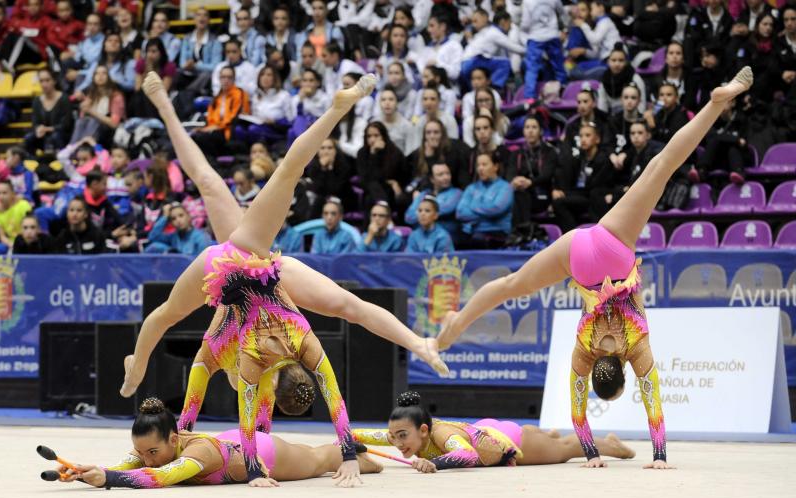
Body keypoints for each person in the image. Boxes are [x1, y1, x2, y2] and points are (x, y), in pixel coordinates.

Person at [437, 67, 754, 470]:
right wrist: (589, 452)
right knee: (512, 283)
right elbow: (579, 412)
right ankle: (456, 326)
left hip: (613, 254)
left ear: (623, 372)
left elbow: (649, 397)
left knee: (662, 166)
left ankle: (716, 103)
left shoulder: (635, 345)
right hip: (582, 256)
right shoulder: (584, 350)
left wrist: (659, 456)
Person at [122, 72, 448, 459]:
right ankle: (417, 342)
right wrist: (138, 367)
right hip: (247, 267)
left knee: (265, 179)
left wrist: (138, 367)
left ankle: (332, 110)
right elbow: (238, 424)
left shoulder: (254, 360)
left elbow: (241, 421)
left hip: (251, 266)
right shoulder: (247, 366)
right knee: (234, 183)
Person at [54, 397, 382, 489]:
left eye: (152, 452)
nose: (148, 460)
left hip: (264, 453)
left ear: (173, 438)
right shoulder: (157, 447)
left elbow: (162, 477)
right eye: (143, 453)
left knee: (319, 460)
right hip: (229, 442)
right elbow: (132, 463)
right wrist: (93, 471)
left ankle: (355, 452)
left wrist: (110, 480)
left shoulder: (196, 453)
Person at [352, 391, 634, 471]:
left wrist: (433, 462)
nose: (397, 443)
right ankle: (547, 436)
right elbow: (365, 435)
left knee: (565, 451)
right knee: (550, 443)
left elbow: (466, 455)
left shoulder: (441, 436)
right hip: (485, 429)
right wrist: (348, 440)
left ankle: (609, 444)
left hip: (505, 441)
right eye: (394, 436)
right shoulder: (407, 434)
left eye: (402, 436)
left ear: (424, 430)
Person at [506, 116, 559, 228]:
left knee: (520, 196)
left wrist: (530, 182)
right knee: (518, 195)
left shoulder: (550, 151)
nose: (530, 131)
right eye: (527, 127)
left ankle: (520, 232)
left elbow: (547, 175)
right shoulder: (517, 153)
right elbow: (510, 173)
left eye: (534, 127)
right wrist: (515, 180)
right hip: (522, 193)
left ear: (540, 131)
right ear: (523, 131)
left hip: (543, 194)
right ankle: (521, 232)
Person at [456, 151, 514, 248]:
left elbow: (496, 209)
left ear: (495, 166)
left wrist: (473, 207)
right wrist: (486, 213)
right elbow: (460, 213)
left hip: (497, 232)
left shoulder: (505, 187)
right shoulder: (471, 188)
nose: (480, 168)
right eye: (478, 165)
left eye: (484, 164)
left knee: (477, 239)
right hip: (472, 231)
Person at [193, 66, 250, 157]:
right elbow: (210, 117)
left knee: (204, 138)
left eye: (229, 77)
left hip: (228, 131)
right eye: (223, 77)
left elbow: (234, 118)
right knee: (193, 136)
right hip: (213, 129)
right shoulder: (217, 97)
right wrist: (204, 129)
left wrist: (215, 127)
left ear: (234, 79)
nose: (226, 80)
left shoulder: (239, 93)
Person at [461, 9, 524, 90]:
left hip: (464, 65)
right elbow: (513, 47)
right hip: (473, 62)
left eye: (476, 21)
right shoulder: (492, 32)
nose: (473, 24)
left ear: (485, 18)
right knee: (505, 63)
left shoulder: (482, 33)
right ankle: (494, 88)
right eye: (472, 22)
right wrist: (529, 51)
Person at [356, 122, 409, 211]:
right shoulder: (362, 153)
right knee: (371, 191)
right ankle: (383, 208)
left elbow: (388, 175)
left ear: (383, 136)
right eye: (369, 136)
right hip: (371, 190)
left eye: (376, 135)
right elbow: (364, 179)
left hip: (391, 191)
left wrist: (395, 184)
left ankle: (382, 208)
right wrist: (373, 155)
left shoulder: (394, 153)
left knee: (372, 194)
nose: (372, 140)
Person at [521, 0, 568, 99]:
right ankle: (564, 91)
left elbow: (525, 24)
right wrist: (565, 29)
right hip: (552, 35)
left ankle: (529, 97)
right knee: (558, 66)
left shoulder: (527, 1)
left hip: (536, 37)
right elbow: (563, 13)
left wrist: (529, 29)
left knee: (532, 69)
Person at [70, 65, 125, 146]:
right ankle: (72, 148)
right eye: (97, 73)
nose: (100, 76)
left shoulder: (116, 96)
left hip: (109, 132)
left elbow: (114, 124)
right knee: (80, 122)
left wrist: (91, 111)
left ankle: (85, 149)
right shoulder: (92, 94)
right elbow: (83, 117)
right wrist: (83, 106)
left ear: (109, 77)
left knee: (94, 121)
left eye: (104, 73)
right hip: (93, 129)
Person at [405, 162, 462, 241]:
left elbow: (447, 208)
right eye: (440, 174)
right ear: (432, 179)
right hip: (422, 238)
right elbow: (409, 217)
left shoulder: (456, 193)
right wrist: (427, 214)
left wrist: (421, 213)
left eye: (448, 173)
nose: (446, 177)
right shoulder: (423, 194)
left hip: (446, 238)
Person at [177, 7, 223, 94]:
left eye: (205, 15)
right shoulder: (187, 38)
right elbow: (182, 63)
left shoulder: (215, 41)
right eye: (198, 15)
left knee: (206, 75)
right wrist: (186, 65)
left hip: (204, 76)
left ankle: (187, 94)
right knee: (176, 73)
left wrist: (196, 66)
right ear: (194, 19)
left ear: (209, 20)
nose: (201, 18)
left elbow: (216, 66)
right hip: (188, 74)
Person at [145, 202, 212, 255]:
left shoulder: (201, 237)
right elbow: (153, 237)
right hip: (177, 269)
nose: (178, 220)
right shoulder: (173, 237)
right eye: (173, 219)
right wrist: (165, 217)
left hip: (195, 270)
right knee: (155, 246)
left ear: (188, 216)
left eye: (181, 215)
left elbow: (204, 263)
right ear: (171, 223)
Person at [597, 44, 646, 114]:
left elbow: (642, 104)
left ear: (626, 62)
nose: (617, 64)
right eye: (613, 60)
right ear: (608, 62)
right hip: (613, 120)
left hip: (633, 118)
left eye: (621, 60)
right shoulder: (604, 80)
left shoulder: (636, 79)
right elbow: (602, 107)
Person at [0, 181, 33, 252]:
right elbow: (2, 236)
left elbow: (31, 227)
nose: (1, 196)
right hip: (11, 244)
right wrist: (12, 245)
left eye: (4, 193)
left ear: (12, 193)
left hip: (26, 241)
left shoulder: (23, 205)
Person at [376, 86, 413, 154]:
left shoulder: (407, 126)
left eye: (391, 99)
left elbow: (409, 152)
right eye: (383, 100)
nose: (387, 103)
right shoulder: (374, 124)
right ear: (379, 104)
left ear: (397, 103)